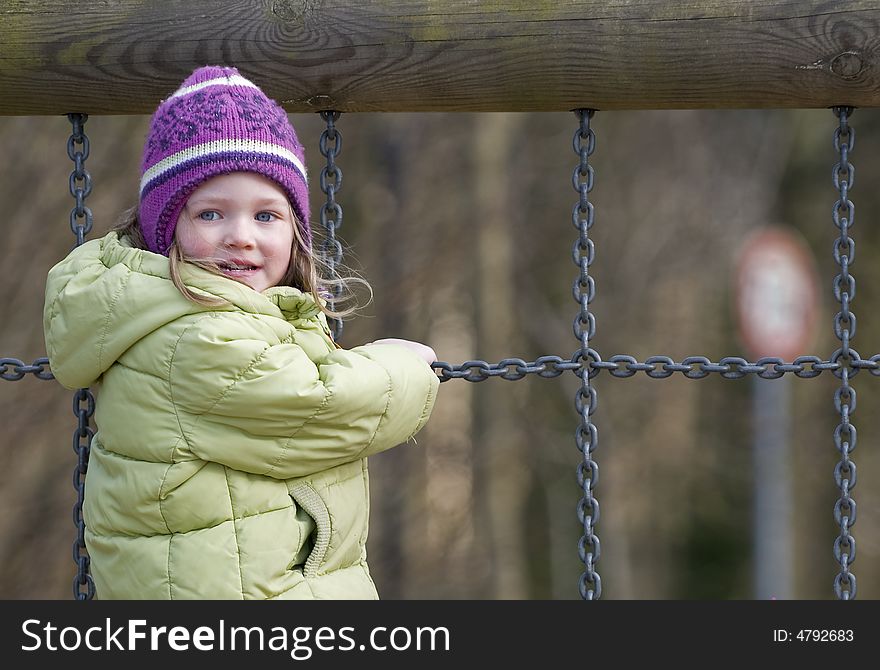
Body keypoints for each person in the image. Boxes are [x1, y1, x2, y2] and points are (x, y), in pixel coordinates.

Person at [42, 65, 440, 599]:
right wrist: (405, 367)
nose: (241, 237)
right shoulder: (189, 336)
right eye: (211, 214)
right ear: (166, 229)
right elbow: (318, 405)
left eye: (267, 216)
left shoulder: (207, 316)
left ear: (295, 229)